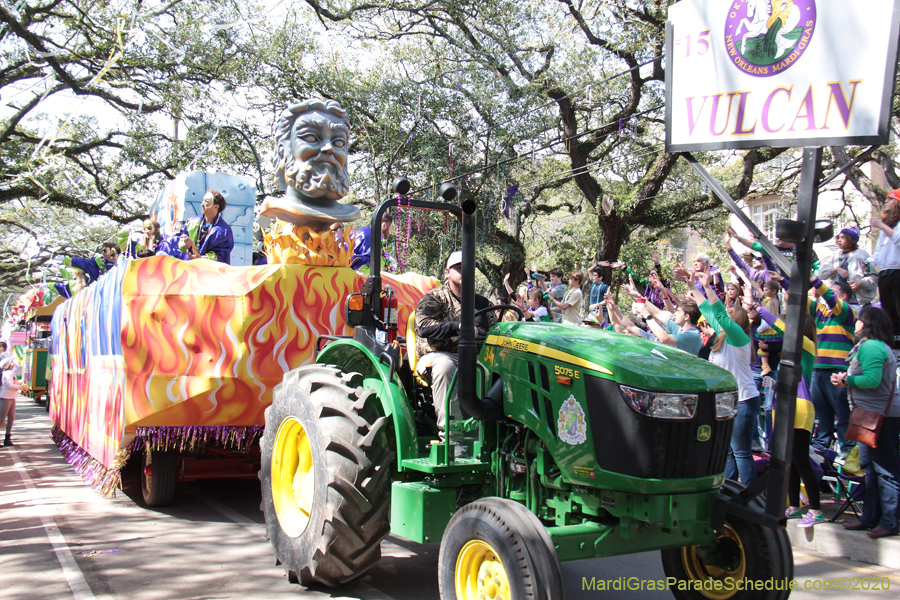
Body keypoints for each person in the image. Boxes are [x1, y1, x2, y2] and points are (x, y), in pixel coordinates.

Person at [751, 305, 822, 527]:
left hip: (799, 408)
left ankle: (817, 510)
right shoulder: (791, 353)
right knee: (789, 460)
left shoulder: (807, 345)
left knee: (800, 459)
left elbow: (781, 328)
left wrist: (759, 309)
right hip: (785, 407)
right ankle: (794, 506)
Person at [415, 251, 498, 442]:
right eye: (460, 268)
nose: (465, 272)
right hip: (440, 355)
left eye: (469, 268)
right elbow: (424, 326)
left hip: (477, 357)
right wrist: (459, 327)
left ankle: (500, 431)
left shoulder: (482, 302)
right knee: (445, 368)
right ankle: (452, 436)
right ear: (447, 272)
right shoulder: (434, 298)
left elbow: (495, 328)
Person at [833, 306, 900, 538]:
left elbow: (871, 380)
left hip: (879, 417)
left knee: (885, 470)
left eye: (859, 319)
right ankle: (871, 517)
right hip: (869, 415)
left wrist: (846, 380)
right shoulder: (870, 346)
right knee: (871, 468)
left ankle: (889, 521)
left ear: (868, 323)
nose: (856, 323)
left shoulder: (871, 346)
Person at [689, 267, 759, 485]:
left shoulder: (738, 338)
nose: (721, 319)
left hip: (744, 400)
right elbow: (709, 311)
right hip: (729, 402)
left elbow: (717, 313)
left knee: (740, 452)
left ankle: (748, 497)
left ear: (735, 322)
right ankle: (728, 490)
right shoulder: (721, 341)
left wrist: (708, 286)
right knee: (727, 451)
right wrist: (693, 287)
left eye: (728, 316)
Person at [808, 276, 857, 454]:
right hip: (818, 370)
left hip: (838, 371)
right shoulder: (820, 312)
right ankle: (821, 449)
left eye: (834, 292)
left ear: (842, 297)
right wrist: (782, 280)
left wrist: (814, 279)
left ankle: (848, 450)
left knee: (842, 413)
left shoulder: (847, 311)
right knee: (822, 414)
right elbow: (797, 296)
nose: (825, 296)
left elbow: (827, 295)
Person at [624, 277, 703, 355]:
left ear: (686, 317)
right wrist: (638, 296)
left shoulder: (693, 335)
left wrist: (647, 316)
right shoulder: (679, 329)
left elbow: (664, 338)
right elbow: (658, 313)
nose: (675, 314)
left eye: (678, 312)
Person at [164, 190, 234, 264]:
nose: (202, 204)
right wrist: (184, 244)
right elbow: (180, 243)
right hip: (190, 268)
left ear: (216, 207)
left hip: (209, 271)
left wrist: (202, 258)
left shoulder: (224, 231)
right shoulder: (191, 223)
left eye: (206, 202)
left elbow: (222, 255)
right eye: (203, 201)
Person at [870, 190, 900, 348]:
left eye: (890, 199)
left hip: (898, 271)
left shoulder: (892, 227)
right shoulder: (885, 228)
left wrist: (881, 225)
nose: (885, 202)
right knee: (889, 315)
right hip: (885, 273)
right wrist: (869, 261)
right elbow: (879, 253)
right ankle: (894, 347)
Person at [818, 227, 877, 307]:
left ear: (851, 240)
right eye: (838, 237)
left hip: (858, 303)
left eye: (842, 237)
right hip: (839, 304)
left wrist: (861, 283)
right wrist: (835, 269)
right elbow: (821, 274)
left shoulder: (861, 255)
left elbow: (874, 277)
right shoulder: (835, 255)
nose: (839, 240)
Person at [0, 357, 21, 447]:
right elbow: (9, 385)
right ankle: (6, 438)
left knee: (11, 418)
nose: (13, 363)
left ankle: (7, 437)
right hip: (6, 397)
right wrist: (19, 386)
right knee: (2, 418)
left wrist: (19, 383)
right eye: (12, 362)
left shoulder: (11, 373)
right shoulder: (7, 373)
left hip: (12, 397)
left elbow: (13, 383)